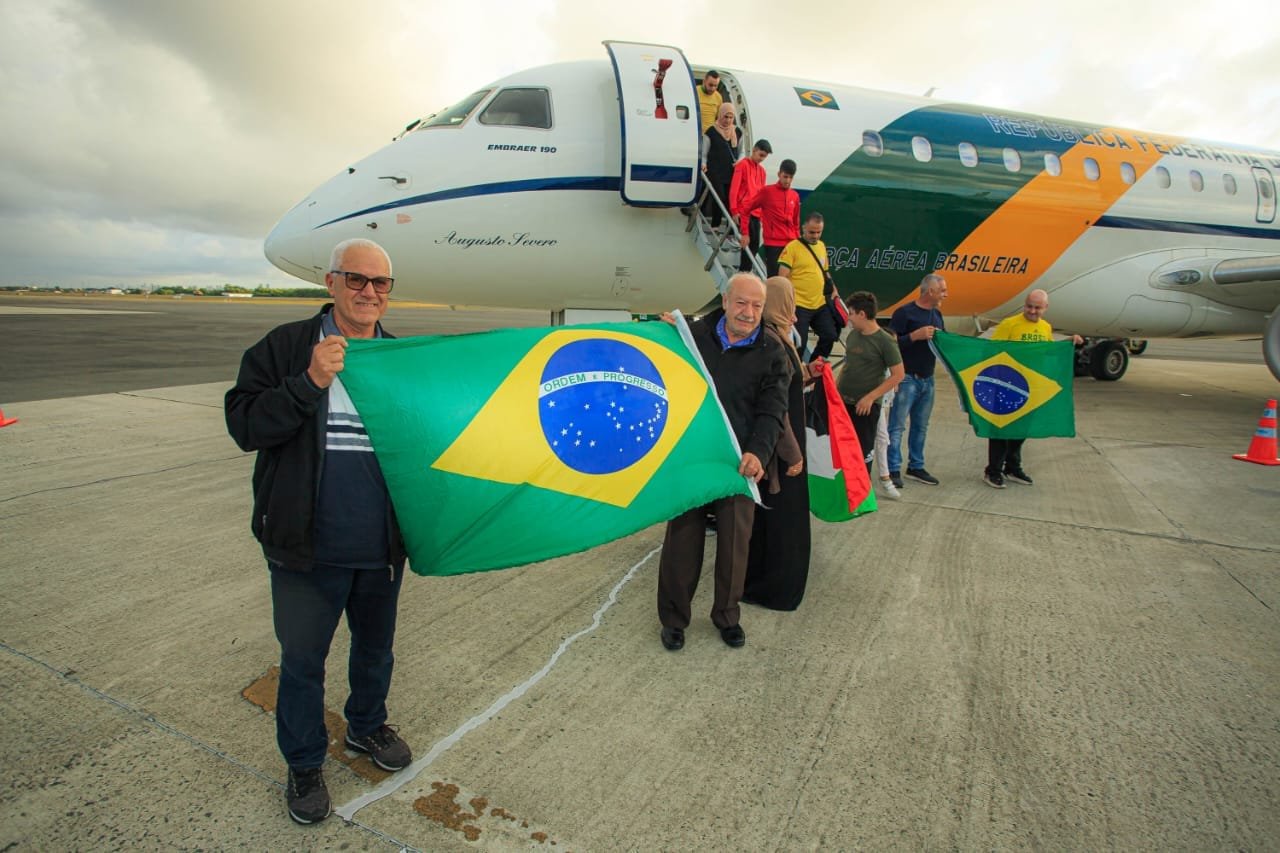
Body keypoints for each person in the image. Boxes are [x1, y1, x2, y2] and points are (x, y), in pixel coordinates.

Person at [224, 238, 413, 826]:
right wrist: (308, 381)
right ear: (330, 283)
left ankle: (365, 726)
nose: (368, 292)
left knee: (375, 650)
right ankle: (305, 763)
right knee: (303, 661)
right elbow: (245, 426)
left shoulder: (401, 359)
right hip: (305, 548)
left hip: (379, 548)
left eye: (380, 283)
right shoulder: (284, 348)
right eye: (356, 279)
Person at [657, 273, 790, 651]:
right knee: (682, 542)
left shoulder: (772, 351)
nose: (749, 313)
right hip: (695, 457)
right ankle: (673, 619)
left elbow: (773, 410)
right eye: (742, 303)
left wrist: (758, 452)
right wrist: (666, 332)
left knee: (735, 544)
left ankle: (727, 616)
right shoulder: (693, 336)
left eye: (757, 306)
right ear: (726, 301)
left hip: (739, 461)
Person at [743, 276, 811, 611]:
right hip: (781, 450)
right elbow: (776, 408)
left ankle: (761, 584)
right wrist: (793, 454)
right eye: (790, 299)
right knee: (783, 520)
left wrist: (809, 373)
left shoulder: (777, 336)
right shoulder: (773, 342)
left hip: (780, 445)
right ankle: (773, 589)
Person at [983, 288, 1083, 488]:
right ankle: (993, 470)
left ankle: (1012, 467)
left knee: (1021, 430)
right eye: (1029, 306)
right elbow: (992, 351)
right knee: (1001, 431)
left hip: (1030, 388)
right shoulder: (1009, 324)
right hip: (1007, 387)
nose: (1032, 311)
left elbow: (1048, 351)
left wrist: (1068, 343)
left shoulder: (1045, 327)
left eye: (1037, 308)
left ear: (1045, 308)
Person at [886, 273, 948, 489]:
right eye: (942, 291)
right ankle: (892, 468)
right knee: (897, 426)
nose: (945, 294)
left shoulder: (937, 314)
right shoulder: (904, 313)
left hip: (927, 379)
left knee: (921, 426)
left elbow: (945, 342)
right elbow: (890, 344)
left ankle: (916, 466)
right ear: (930, 291)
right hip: (907, 378)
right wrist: (914, 336)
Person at [836, 291, 904, 480]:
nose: (849, 318)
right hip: (844, 403)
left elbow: (898, 374)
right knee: (842, 451)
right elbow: (847, 365)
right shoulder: (853, 336)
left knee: (863, 453)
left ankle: (861, 487)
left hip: (865, 407)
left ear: (862, 314)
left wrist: (870, 398)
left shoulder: (885, 341)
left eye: (851, 313)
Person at [778, 212, 839, 362]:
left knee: (830, 336)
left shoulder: (821, 246)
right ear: (803, 228)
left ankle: (813, 367)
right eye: (812, 232)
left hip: (819, 303)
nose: (815, 236)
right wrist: (786, 304)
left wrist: (834, 289)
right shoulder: (792, 248)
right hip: (799, 305)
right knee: (800, 344)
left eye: (819, 232)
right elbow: (782, 278)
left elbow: (825, 271)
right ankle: (796, 371)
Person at [740, 159, 800, 277]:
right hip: (773, 244)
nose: (787, 180)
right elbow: (745, 209)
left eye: (790, 177)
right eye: (785, 176)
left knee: (790, 280)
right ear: (779, 174)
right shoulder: (767, 192)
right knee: (774, 280)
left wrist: (798, 241)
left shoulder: (795, 196)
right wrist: (745, 233)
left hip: (791, 244)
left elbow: (796, 222)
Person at [729, 138, 772, 272]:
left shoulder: (762, 172)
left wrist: (763, 215)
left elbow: (762, 195)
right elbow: (734, 189)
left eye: (764, 157)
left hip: (756, 213)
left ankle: (745, 271)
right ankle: (743, 272)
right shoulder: (742, 165)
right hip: (743, 211)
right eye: (761, 155)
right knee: (746, 243)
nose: (761, 159)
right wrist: (734, 210)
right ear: (754, 150)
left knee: (755, 245)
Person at [700, 102, 739, 229]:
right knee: (719, 197)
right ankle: (715, 225)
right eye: (725, 117)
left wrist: (739, 161)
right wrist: (703, 164)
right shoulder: (711, 131)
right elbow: (704, 152)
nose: (728, 120)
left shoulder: (737, 132)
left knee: (730, 199)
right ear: (720, 115)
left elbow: (742, 151)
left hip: (731, 171)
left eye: (731, 117)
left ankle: (730, 229)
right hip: (715, 171)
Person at [874, 388, 900, 500]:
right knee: (881, 437)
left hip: (880, 395)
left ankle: (884, 477)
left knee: (882, 437)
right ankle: (884, 478)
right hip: (866, 394)